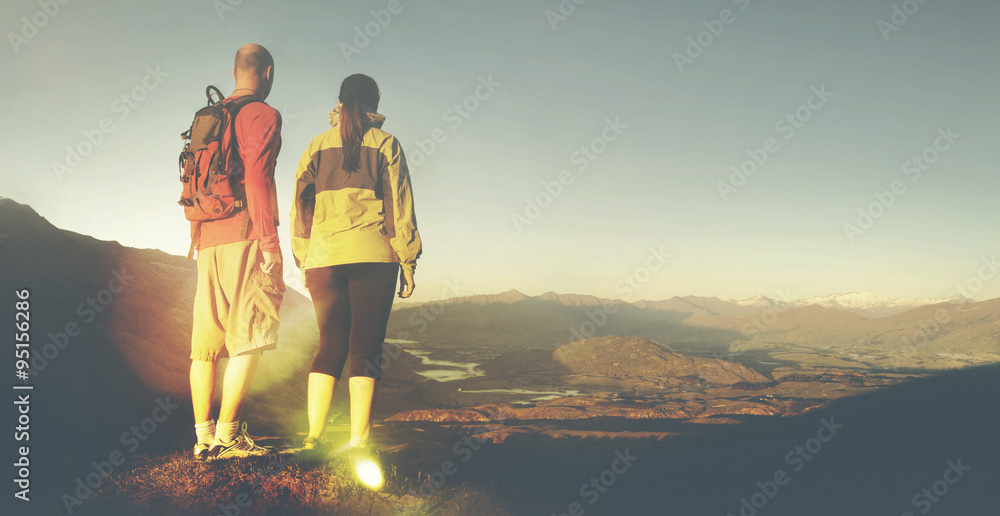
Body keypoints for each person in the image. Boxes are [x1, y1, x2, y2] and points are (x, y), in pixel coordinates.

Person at [290, 73, 421, 461]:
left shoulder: (315, 146)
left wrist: (303, 257)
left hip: (323, 260)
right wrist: (408, 261)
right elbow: (399, 208)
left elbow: (301, 209)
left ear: (341, 101)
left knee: (329, 347)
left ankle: (313, 438)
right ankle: (359, 442)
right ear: (374, 103)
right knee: (365, 350)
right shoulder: (386, 144)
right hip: (372, 257)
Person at [189, 43, 284, 461]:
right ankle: (227, 439)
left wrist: (197, 237)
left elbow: (194, 179)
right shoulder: (262, 114)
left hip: (206, 236)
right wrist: (270, 245)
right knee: (249, 338)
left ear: (233, 72)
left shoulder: (208, 117)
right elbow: (259, 178)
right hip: (245, 233)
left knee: (205, 347)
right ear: (267, 72)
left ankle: (203, 439)